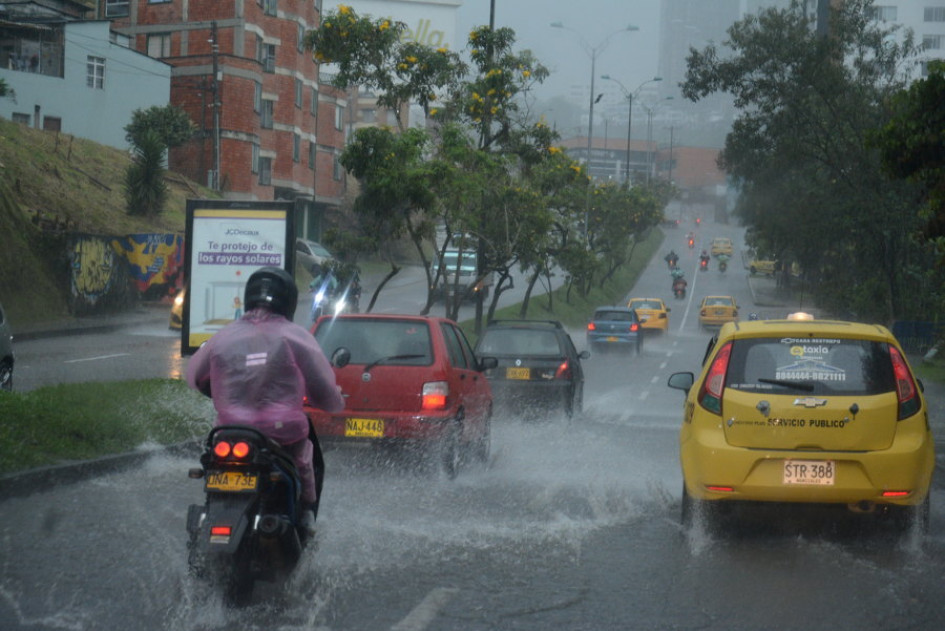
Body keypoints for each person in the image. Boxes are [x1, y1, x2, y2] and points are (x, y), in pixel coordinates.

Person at [186, 266, 345, 535]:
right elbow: (324, 389)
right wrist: (333, 402)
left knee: (211, 461)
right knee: (304, 458)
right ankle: (306, 513)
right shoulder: (295, 336)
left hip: (229, 431)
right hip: (282, 431)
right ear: (289, 301)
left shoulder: (223, 336)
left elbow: (194, 377)